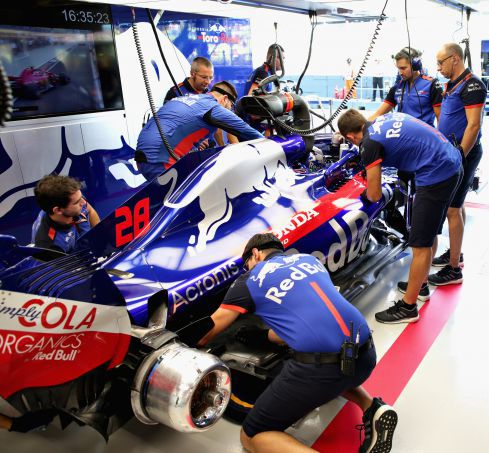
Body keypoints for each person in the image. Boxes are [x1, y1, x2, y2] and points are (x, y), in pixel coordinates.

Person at [198, 233, 398, 453]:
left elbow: (208, 332)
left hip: (322, 371)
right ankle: (372, 407)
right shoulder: (308, 260)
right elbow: (304, 319)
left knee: (252, 434)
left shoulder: (250, 279)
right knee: (336, 365)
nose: (247, 269)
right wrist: (261, 337)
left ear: (255, 254)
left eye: (247, 264)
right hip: (365, 355)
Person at [338, 109, 462, 323]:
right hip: (451, 161)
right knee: (427, 231)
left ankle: (408, 307)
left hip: (436, 173)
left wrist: (364, 195)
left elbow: (374, 194)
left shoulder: (369, 144)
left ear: (350, 137)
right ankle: (420, 284)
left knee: (420, 244)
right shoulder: (383, 120)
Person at [420, 43, 487, 288]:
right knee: (457, 207)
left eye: (441, 62)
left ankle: (453, 269)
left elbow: (473, 126)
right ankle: (454, 253)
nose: (438, 68)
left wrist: (459, 157)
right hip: (452, 153)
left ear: (455, 59)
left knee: (451, 209)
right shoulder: (452, 84)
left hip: (463, 155)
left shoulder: (472, 85)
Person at [135, 81, 264, 181]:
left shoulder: (185, 98)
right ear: (225, 99)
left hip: (141, 156)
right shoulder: (213, 107)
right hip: (159, 160)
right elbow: (249, 133)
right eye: (230, 107)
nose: (229, 111)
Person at [368, 47, 443, 127]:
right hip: (402, 135)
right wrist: (361, 127)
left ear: (416, 65)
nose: (400, 72)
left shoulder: (432, 85)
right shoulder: (396, 88)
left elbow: (440, 119)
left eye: (403, 68)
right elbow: (378, 113)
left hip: (423, 137)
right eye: (398, 68)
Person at [31, 175, 100, 253]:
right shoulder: (49, 246)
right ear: (58, 210)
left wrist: (100, 237)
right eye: (77, 202)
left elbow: (90, 211)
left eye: (81, 197)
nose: (83, 202)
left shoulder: (73, 197)